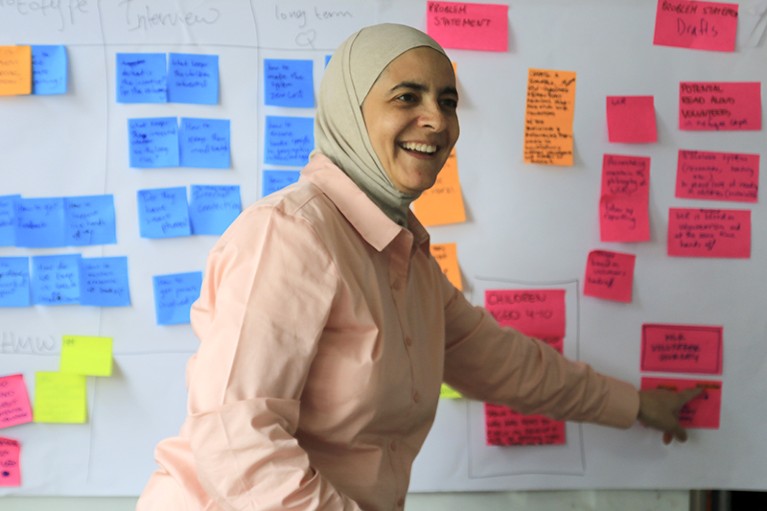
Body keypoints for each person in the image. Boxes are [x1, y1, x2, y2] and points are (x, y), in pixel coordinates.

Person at [137, 23, 700, 511]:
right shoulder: (290, 234)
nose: (437, 120)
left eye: (448, 101)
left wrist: (636, 405)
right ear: (350, 113)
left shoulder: (402, 256)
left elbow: (508, 365)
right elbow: (235, 442)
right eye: (407, 97)